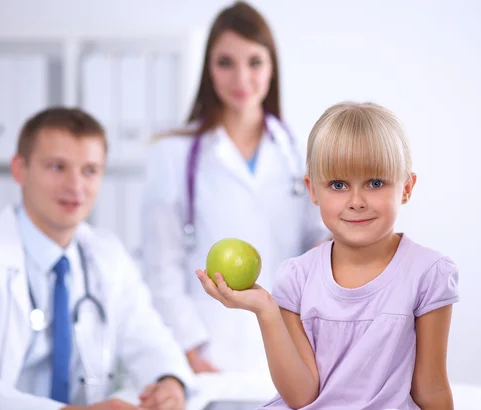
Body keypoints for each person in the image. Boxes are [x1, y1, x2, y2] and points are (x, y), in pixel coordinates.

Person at [196, 102, 460, 409]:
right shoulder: (296, 277)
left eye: (375, 183)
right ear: (313, 190)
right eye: (338, 184)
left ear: (406, 187)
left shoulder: (428, 273)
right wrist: (266, 310)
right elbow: (302, 395)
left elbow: (431, 389)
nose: (357, 201)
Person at [0, 107, 194, 410]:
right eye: (57, 167)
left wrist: (169, 383)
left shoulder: (108, 255)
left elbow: (152, 342)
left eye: (90, 170)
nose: (75, 186)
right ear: (20, 169)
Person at [141, 1, 329, 374]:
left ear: (272, 67)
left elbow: (321, 249)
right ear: (208, 69)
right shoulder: (171, 155)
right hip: (209, 358)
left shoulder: (302, 154)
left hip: (292, 352)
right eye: (225, 62)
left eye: (255, 62)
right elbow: (161, 267)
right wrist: (193, 353)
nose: (241, 78)